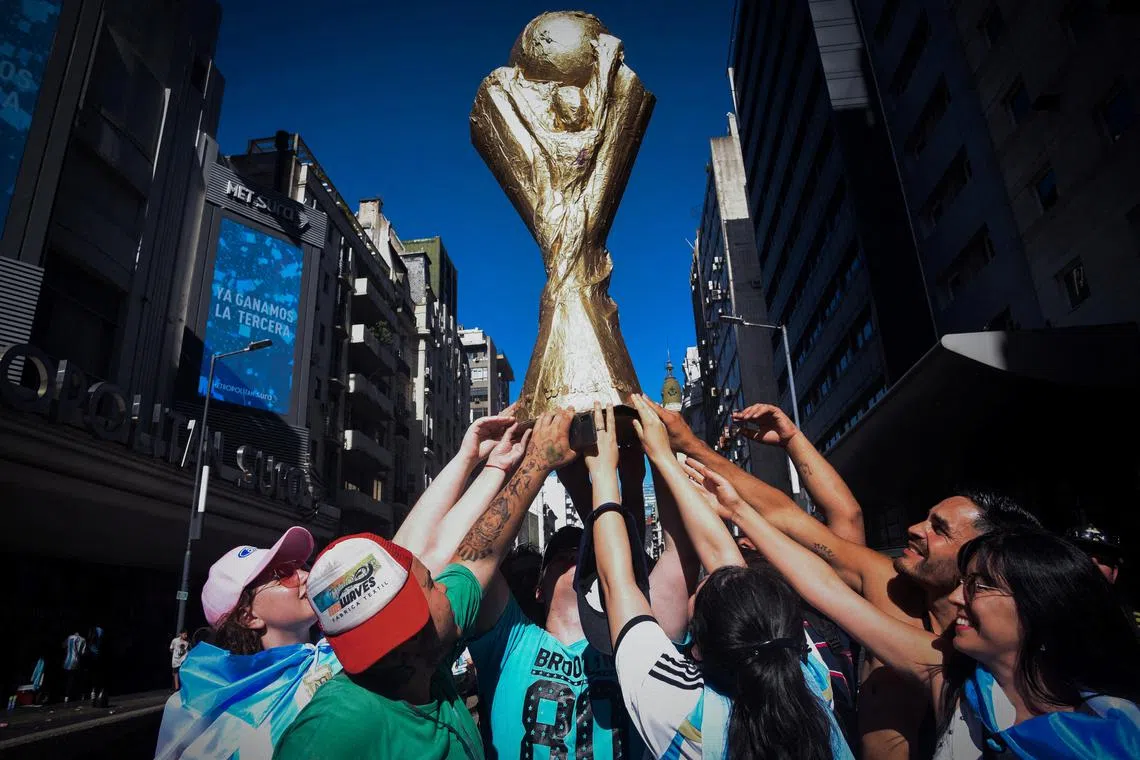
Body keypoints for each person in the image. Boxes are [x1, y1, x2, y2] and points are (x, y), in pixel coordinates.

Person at [645, 396, 1041, 760]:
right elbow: (829, 526)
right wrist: (703, 449)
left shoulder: (995, 666)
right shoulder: (890, 587)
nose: (917, 529)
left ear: (990, 557)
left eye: (940, 529)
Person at [713, 466, 1140, 758]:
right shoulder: (950, 676)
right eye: (965, 584)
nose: (959, 601)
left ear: (1038, 606)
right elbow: (825, 589)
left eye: (982, 587)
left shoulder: (1118, 729)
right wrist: (736, 510)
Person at [273, 410, 574, 760]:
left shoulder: (420, 656)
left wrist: (502, 465)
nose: (446, 586)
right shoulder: (334, 729)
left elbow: (475, 554)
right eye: (431, 584)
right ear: (413, 634)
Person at [588, 398, 853, 758]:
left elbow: (616, 583)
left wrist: (603, 474)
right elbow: (723, 562)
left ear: (697, 649)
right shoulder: (809, 679)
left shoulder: (679, 708)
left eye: (702, 587)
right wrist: (665, 458)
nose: (708, 575)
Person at [154, 526, 342, 760]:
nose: (305, 575)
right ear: (248, 617)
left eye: (299, 567)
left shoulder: (345, 648)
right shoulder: (204, 713)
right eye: (284, 573)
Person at [730, 402, 866, 545]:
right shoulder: (818, 566)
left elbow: (848, 518)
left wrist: (791, 439)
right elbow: (847, 518)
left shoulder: (817, 565)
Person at [1067, 523, 1139, 634]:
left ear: (1114, 573)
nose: (1092, 564)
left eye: (1102, 560)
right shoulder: (1040, 618)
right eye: (1082, 556)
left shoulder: (1135, 623)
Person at [62, 628, 85, 703]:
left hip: (67, 661)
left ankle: (66, 696)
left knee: (68, 679)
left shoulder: (69, 637)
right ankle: (75, 695)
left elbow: (63, 646)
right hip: (75, 661)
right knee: (75, 678)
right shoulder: (82, 639)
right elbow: (81, 652)